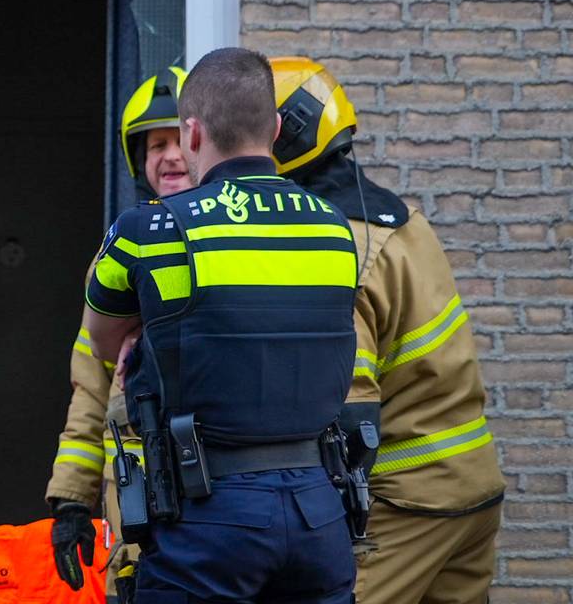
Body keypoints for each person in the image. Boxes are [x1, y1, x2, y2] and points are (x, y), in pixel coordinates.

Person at [83, 47, 359, 603]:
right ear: (275, 128)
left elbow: (106, 340)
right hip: (320, 511)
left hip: (209, 514)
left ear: (191, 133)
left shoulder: (149, 230)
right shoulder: (335, 229)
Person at [269, 56, 505, 604]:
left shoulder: (335, 248)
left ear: (287, 135)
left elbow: (348, 410)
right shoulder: (400, 219)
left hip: (404, 505)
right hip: (470, 488)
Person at [46, 67, 191, 595]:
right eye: (156, 145)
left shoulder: (232, 246)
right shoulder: (118, 258)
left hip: (214, 502)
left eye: (179, 141)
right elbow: (91, 385)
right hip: (134, 511)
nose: (170, 156)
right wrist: (71, 501)